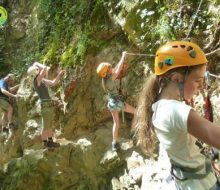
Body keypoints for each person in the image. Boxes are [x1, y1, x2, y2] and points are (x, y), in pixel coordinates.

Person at [132, 41, 220, 189]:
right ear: (176, 79)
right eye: (198, 80)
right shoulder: (176, 111)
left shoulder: (159, 105)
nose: (201, 86)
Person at [97, 52, 135, 151]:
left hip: (111, 103)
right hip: (118, 102)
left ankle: (114, 143)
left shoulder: (104, 80)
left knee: (116, 123)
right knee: (137, 112)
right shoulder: (110, 79)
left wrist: (122, 59)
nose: (111, 67)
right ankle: (134, 133)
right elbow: (117, 71)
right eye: (109, 67)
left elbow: (116, 69)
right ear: (108, 71)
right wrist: (123, 56)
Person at [27, 62, 65, 149]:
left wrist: (59, 75)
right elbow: (44, 68)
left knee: (49, 125)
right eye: (37, 69)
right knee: (45, 126)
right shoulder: (36, 81)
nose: (39, 70)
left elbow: (53, 82)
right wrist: (37, 63)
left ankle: (50, 141)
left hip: (48, 105)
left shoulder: (41, 80)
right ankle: (45, 143)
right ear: (35, 72)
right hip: (45, 106)